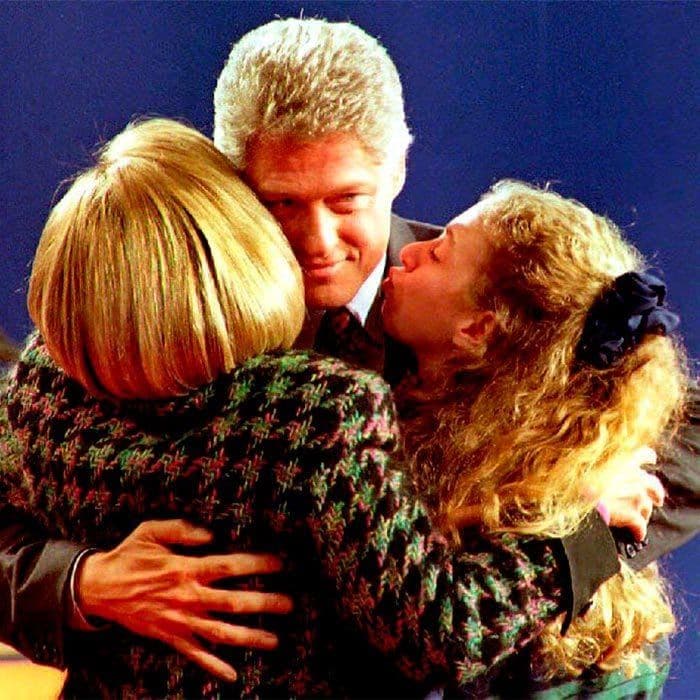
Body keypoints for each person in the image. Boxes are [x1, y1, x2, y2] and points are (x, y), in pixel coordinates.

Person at [0, 15, 697, 676]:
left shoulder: (500, 301)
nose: (316, 243)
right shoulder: (156, 307)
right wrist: (82, 583)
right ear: (227, 181)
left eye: (346, 201)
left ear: (397, 171)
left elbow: (679, 439)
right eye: (281, 203)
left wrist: (566, 509)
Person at [383, 180, 687, 696]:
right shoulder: (444, 439)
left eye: (438, 252)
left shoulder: (546, 527)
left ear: (478, 330)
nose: (408, 250)